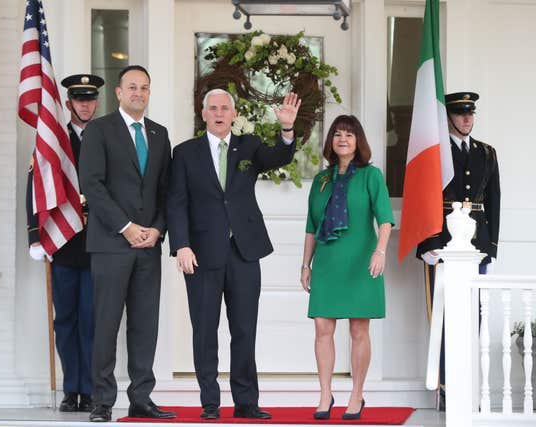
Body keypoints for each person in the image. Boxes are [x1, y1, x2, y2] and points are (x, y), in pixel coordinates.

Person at [167, 88, 300, 420]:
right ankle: (210, 403)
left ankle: (246, 402)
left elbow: (279, 158)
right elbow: (176, 201)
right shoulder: (184, 153)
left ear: (234, 113)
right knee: (204, 330)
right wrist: (181, 244)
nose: (219, 113)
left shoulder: (249, 146)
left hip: (244, 251)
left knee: (244, 329)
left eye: (225, 108)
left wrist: (286, 130)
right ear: (203, 113)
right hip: (200, 254)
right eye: (212, 108)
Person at [79, 65, 175, 423]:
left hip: (149, 245)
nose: (139, 93)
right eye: (132, 87)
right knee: (106, 323)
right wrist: (126, 226)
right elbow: (92, 184)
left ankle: (141, 398)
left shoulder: (159, 134)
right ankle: (102, 401)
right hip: (111, 244)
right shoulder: (100, 131)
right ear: (118, 92)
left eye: (145, 88)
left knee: (145, 324)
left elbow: (167, 190)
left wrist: (157, 229)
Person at [300, 115, 394, 421]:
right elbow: (312, 226)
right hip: (327, 262)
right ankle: (325, 394)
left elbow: (385, 219)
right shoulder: (321, 180)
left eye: (349, 135)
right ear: (330, 141)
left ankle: (357, 394)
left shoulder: (371, 176)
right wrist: (305, 264)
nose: (343, 139)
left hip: (361, 261)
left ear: (358, 141)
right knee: (322, 327)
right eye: (338, 134)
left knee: (358, 329)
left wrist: (380, 251)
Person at [416, 91, 500, 409]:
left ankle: (468, 384)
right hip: (440, 243)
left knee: (472, 316)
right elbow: (421, 198)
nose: (467, 119)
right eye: (461, 113)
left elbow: (493, 201)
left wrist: (490, 247)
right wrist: (426, 245)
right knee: (443, 315)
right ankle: (446, 386)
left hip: (475, 244)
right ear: (449, 117)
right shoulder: (434, 153)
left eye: (471, 113)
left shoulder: (487, 153)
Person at [26, 73, 104, 412]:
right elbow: (36, 184)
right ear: (69, 103)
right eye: (79, 99)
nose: (85, 104)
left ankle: (89, 389)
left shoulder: (107, 136)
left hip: (100, 241)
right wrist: (36, 236)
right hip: (63, 241)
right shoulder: (53, 140)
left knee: (92, 320)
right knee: (66, 319)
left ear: (97, 102)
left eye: (90, 99)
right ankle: (70, 389)